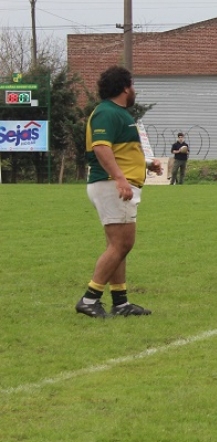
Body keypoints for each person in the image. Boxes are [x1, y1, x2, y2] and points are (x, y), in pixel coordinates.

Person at [76, 66, 163, 318]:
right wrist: (120, 179)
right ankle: (89, 298)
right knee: (123, 244)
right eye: (132, 85)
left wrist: (147, 164)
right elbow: (101, 148)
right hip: (110, 185)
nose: (134, 90)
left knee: (118, 246)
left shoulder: (118, 113)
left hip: (114, 184)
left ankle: (121, 302)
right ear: (125, 87)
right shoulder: (106, 112)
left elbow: (119, 152)